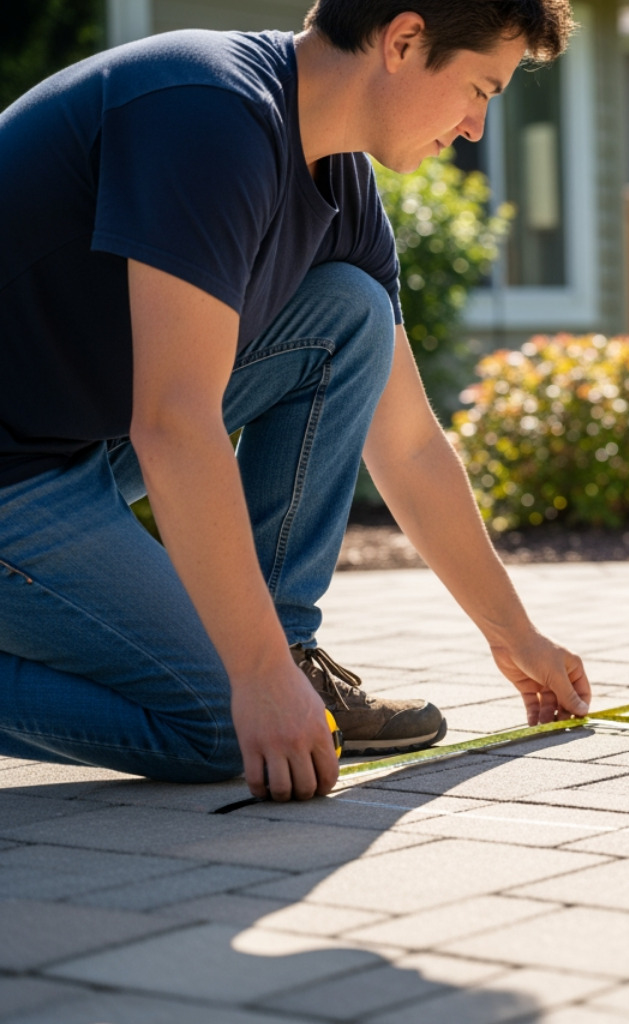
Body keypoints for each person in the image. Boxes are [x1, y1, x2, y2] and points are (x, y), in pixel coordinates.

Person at [0, 0, 591, 803]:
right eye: (480, 89)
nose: (478, 127)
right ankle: (266, 668)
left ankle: (284, 648)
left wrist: (514, 635)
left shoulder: (337, 175)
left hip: (65, 434)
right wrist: (253, 679)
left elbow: (409, 443)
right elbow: (174, 423)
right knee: (221, 723)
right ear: (405, 39)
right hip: (16, 465)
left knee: (353, 310)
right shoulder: (211, 115)